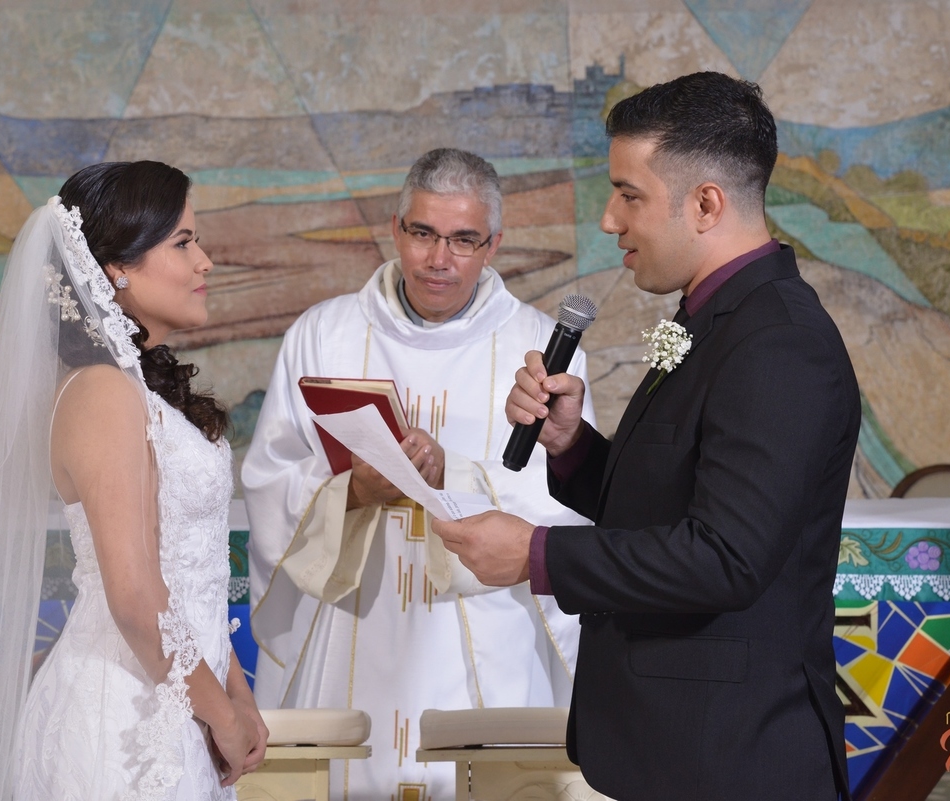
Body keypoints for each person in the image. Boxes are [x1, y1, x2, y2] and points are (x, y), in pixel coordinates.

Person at [434, 73, 860, 801]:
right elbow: (674, 501)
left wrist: (536, 554)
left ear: (706, 204)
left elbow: (725, 557)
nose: (609, 220)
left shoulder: (779, 342)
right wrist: (573, 445)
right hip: (672, 748)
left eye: (628, 195)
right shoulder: (714, 319)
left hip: (731, 757)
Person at [0, 161, 267, 800]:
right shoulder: (101, 393)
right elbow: (136, 596)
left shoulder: (138, 388)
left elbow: (190, 577)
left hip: (181, 702)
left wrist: (236, 696)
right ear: (116, 268)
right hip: (121, 723)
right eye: (182, 243)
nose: (205, 262)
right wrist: (224, 718)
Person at [242, 148, 592, 800]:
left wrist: (448, 472)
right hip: (353, 618)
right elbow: (268, 480)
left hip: (483, 628)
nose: (439, 259)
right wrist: (352, 492)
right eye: (424, 233)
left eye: (464, 240)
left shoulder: (541, 347)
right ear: (396, 230)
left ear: (493, 245)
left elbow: (566, 503)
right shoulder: (323, 334)